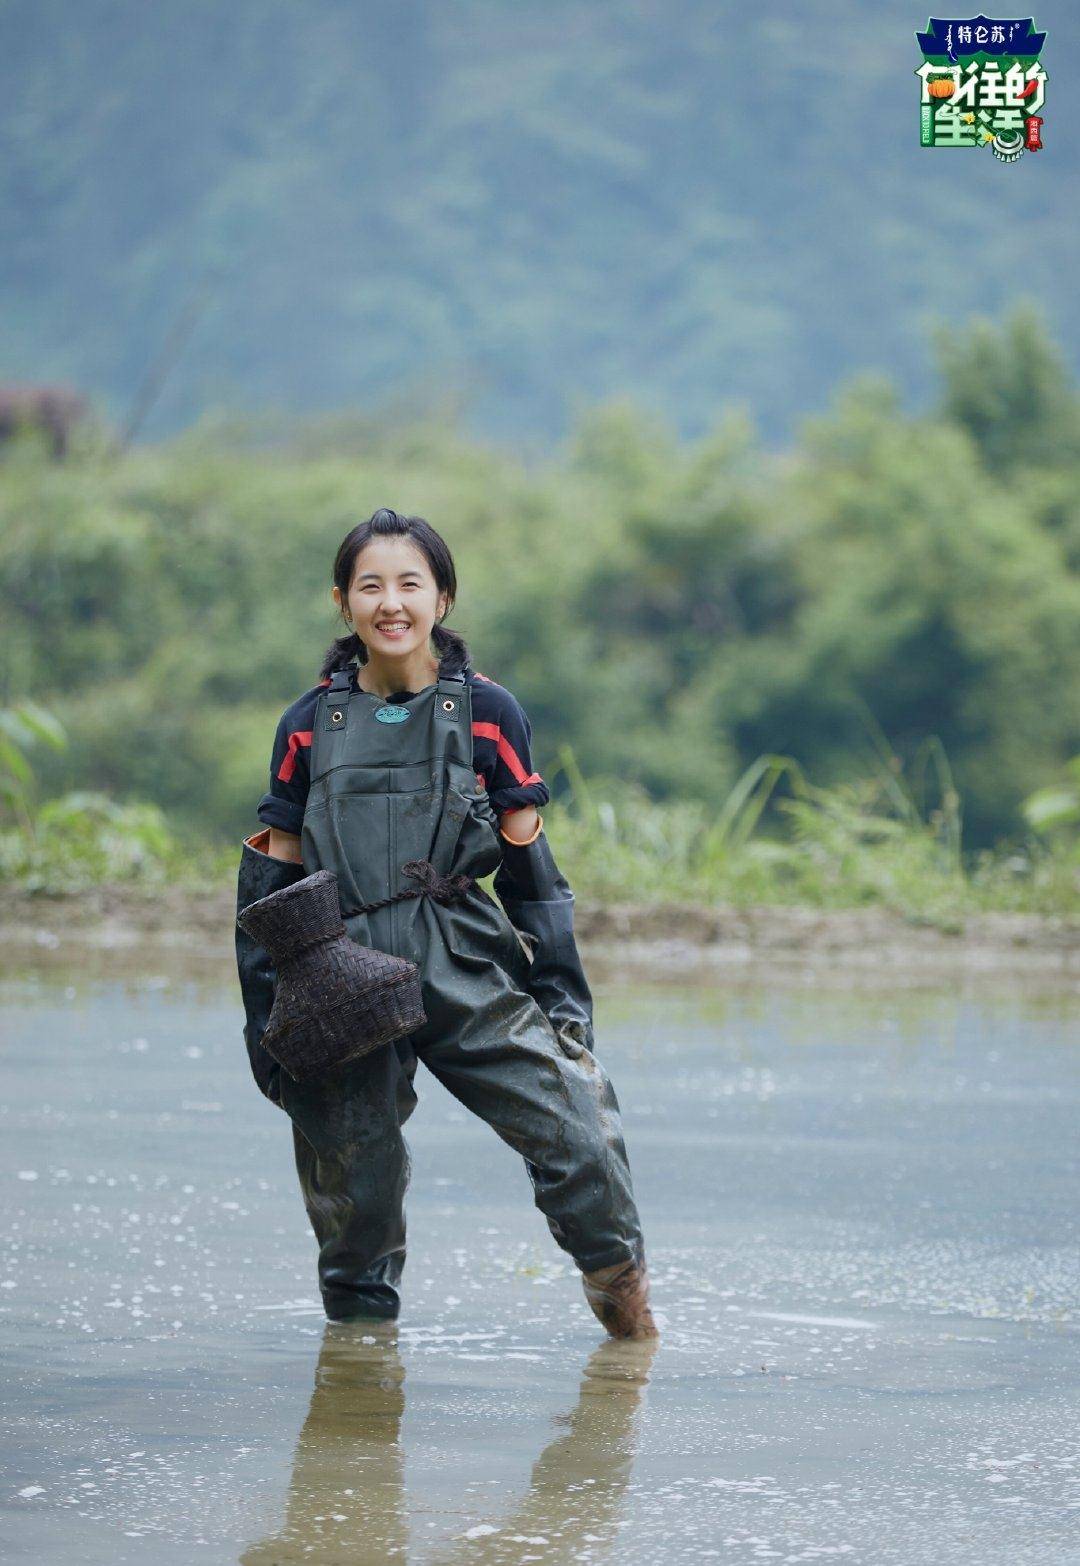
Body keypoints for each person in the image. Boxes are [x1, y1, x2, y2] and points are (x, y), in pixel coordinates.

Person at [235, 506, 656, 1338]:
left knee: (578, 1127)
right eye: (371, 585)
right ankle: (359, 1377)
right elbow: (270, 885)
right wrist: (266, 1022)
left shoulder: (491, 711)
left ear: (443, 598)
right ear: (343, 602)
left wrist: (566, 1002)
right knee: (356, 1188)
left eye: (409, 584)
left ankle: (627, 1320)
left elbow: (533, 867)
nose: (391, 602)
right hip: (336, 969)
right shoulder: (307, 725)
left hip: (463, 955)